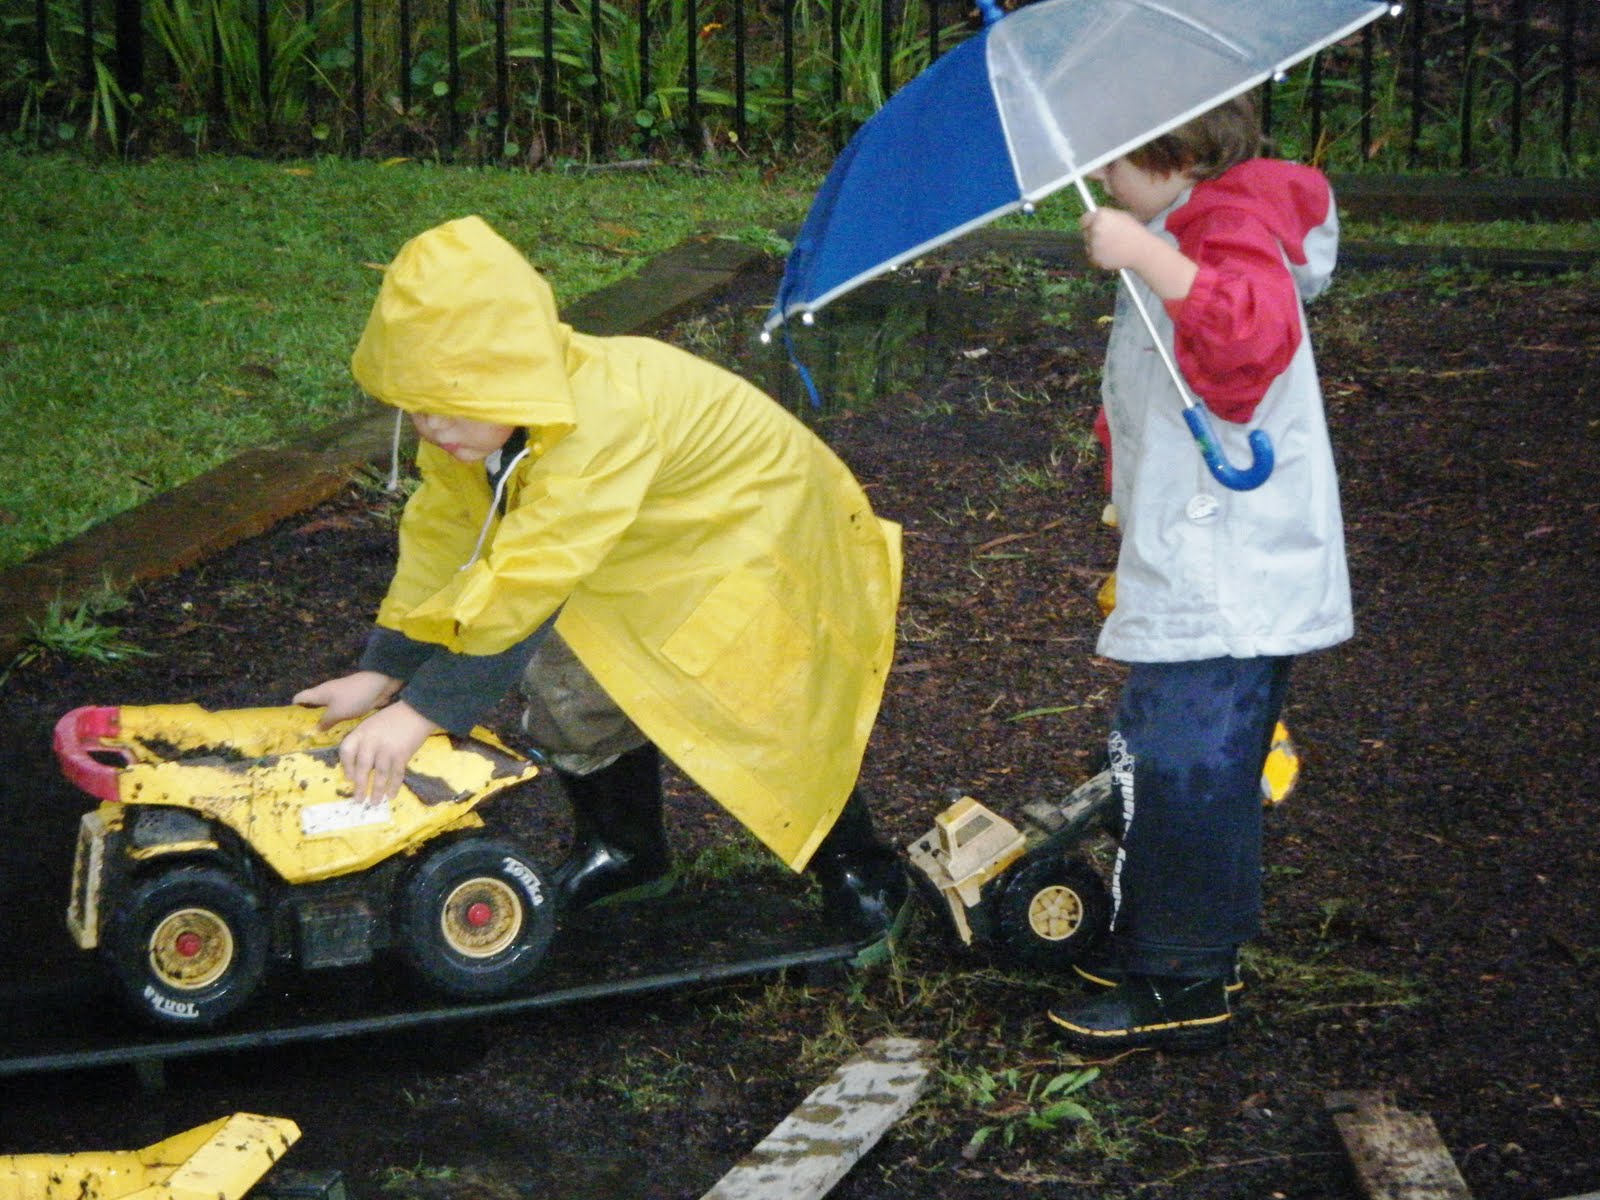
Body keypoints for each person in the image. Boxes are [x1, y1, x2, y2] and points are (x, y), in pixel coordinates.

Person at [294, 215, 910, 948]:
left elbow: (527, 580)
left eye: (447, 402)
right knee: (569, 682)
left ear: (506, 373)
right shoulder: (471, 430)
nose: (430, 427)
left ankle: (858, 865)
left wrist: (422, 710)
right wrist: (383, 670)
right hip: (627, 541)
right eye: (415, 404)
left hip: (749, 528)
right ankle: (627, 851)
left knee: (762, 694)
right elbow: (442, 542)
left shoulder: (598, 422)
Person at [1045, 95, 1353, 1052]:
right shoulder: (1190, 223)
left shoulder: (1221, 227)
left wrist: (1148, 257)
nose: (1102, 183)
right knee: (1157, 753)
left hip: (1229, 569)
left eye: (1113, 163)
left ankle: (1181, 980)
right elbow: (1150, 385)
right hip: (1198, 552)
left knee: (1189, 768)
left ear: (1171, 149)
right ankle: (1156, 938)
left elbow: (1247, 344)